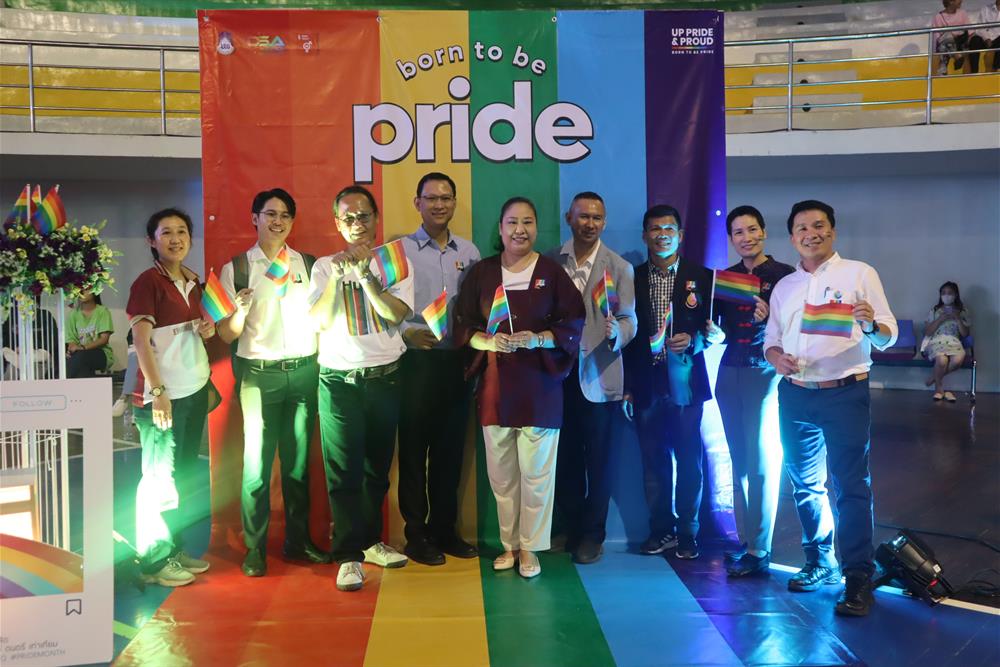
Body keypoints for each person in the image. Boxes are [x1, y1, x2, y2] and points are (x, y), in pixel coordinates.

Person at [764, 199, 898, 617]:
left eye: (819, 225)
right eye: (802, 228)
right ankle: (819, 560)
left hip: (845, 393)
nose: (811, 234)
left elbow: (888, 336)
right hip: (795, 394)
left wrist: (871, 325)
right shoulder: (784, 286)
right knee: (805, 484)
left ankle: (857, 574)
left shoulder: (860, 274)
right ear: (792, 238)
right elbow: (771, 339)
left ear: (833, 231)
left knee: (850, 485)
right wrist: (776, 358)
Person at [454, 196, 585, 579]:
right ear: (500, 228)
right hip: (495, 390)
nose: (520, 230)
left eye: (527, 222)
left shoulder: (552, 273)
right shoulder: (481, 273)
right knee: (502, 477)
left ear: (537, 228)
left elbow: (573, 323)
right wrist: (488, 341)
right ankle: (508, 545)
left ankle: (530, 547)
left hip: (540, 389)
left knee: (537, 476)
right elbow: (462, 325)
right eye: (512, 222)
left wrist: (539, 338)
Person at [218, 188, 330, 578]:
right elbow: (227, 334)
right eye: (270, 214)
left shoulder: (309, 265)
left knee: (298, 465)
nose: (277, 221)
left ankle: (298, 542)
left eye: (285, 215)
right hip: (258, 375)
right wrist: (240, 309)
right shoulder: (237, 268)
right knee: (257, 466)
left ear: (292, 222)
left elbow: (323, 318)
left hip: (303, 371)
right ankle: (255, 548)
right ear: (255, 218)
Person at [309, 185, 413, 592]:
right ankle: (348, 555)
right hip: (339, 381)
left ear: (376, 219)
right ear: (338, 224)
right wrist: (338, 279)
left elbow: (395, 314)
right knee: (343, 471)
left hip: (386, 376)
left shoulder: (395, 261)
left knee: (376, 470)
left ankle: (370, 543)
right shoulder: (323, 267)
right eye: (348, 218)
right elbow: (319, 321)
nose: (357, 224)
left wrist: (366, 275)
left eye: (363, 216)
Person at [623, 204, 725, 561]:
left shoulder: (704, 277)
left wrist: (695, 340)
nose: (662, 235)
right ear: (644, 235)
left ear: (680, 235)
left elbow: (716, 330)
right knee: (653, 461)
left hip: (685, 381)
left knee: (689, 459)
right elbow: (626, 335)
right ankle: (660, 530)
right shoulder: (631, 277)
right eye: (655, 229)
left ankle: (688, 533)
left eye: (669, 229)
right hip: (645, 381)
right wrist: (627, 386)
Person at [126, 208, 215, 587]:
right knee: (158, 479)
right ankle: (153, 561)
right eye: (166, 233)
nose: (175, 239)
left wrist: (206, 329)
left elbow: (190, 331)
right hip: (161, 398)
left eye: (182, 231)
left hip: (192, 391)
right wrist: (159, 392)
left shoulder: (192, 282)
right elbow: (141, 340)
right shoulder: (148, 282)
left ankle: (173, 550)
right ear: (152, 241)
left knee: (182, 475)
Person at [548, 191, 637, 565]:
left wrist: (619, 334)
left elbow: (630, 319)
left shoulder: (619, 267)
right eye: (583, 216)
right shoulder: (549, 261)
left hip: (600, 376)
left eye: (596, 218)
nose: (589, 223)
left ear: (604, 222)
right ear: (569, 218)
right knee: (564, 460)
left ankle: (593, 536)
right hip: (557, 377)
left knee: (600, 464)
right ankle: (568, 529)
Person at [397, 172, 481, 566]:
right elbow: (378, 305)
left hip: (457, 362)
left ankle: (446, 530)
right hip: (415, 362)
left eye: (446, 198)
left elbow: (478, 306)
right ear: (418, 203)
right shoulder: (399, 251)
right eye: (431, 198)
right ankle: (416, 535)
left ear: (454, 202)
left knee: (450, 452)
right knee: (414, 452)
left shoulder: (470, 252)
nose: (439, 205)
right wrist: (405, 334)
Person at [714, 206, 794, 578]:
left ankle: (760, 547)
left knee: (761, 460)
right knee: (739, 459)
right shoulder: (726, 278)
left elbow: (796, 326)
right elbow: (719, 329)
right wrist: (711, 332)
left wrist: (771, 316)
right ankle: (746, 541)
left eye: (751, 229)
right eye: (738, 232)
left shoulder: (785, 276)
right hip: (729, 370)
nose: (746, 237)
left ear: (763, 232)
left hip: (765, 372)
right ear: (731, 239)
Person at [921, 281, 971, 402]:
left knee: (957, 360)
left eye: (950, 293)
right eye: (943, 293)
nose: (946, 296)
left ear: (955, 295)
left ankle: (934, 377)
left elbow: (965, 333)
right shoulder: (935, 310)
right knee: (941, 361)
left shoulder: (962, 311)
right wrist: (940, 319)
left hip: (954, 342)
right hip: (936, 341)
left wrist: (958, 318)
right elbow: (927, 332)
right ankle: (939, 390)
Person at [65, 290, 114, 378]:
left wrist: (82, 348)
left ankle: (64, 384)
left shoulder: (103, 311)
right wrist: (72, 349)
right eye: (79, 288)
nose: (81, 291)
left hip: (102, 353)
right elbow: (71, 341)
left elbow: (104, 339)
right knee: (79, 366)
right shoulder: (73, 314)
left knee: (80, 357)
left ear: (95, 291)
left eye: (86, 288)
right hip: (79, 355)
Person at [933, 0, 973, 76]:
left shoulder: (962, 13)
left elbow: (970, 31)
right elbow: (938, 37)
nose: (961, 1)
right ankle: (956, 55)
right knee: (946, 38)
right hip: (946, 44)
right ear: (951, 1)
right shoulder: (938, 17)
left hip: (960, 42)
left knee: (946, 43)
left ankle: (943, 70)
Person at [969, 1, 1000, 73]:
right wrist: (987, 39)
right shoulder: (986, 9)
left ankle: (996, 69)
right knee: (974, 40)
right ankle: (974, 71)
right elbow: (980, 28)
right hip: (986, 39)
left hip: (998, 39)